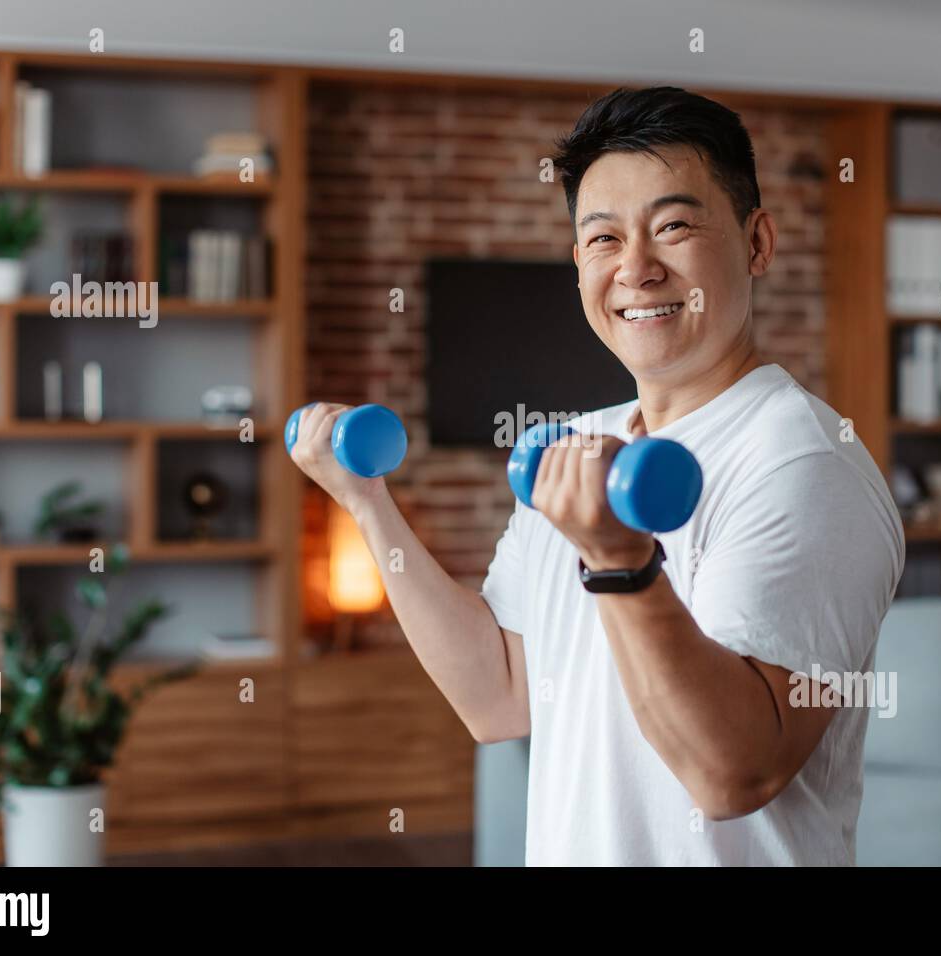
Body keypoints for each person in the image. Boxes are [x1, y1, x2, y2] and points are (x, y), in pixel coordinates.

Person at [290, 86, 905, 866]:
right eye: (603, 239)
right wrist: (365, 503)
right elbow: (497, 697)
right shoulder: (579, 447)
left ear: (757, 243)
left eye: (674, 227)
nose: (637, 269)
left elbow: (732, 774)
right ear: (579, 262)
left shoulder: (804, 467)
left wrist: (621, 564)